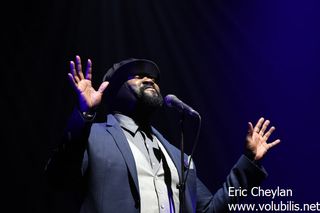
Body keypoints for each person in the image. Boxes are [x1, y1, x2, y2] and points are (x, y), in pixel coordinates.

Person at [45, 55, 281, 213]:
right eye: (137, 76)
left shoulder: (177, 155)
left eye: (155, 79)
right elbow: (59, 176)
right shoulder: (94, 137)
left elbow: (209, 209)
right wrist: (84, 115)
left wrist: (248, 163)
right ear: (113, 90)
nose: (150, 79)